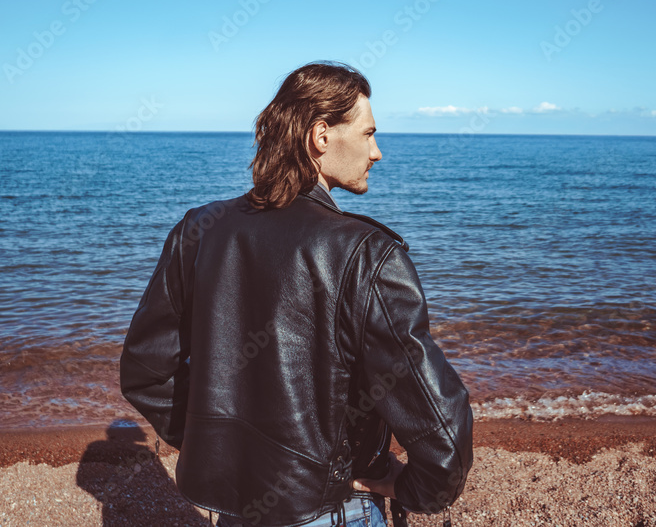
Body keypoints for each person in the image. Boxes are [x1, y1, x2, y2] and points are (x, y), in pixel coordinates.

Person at [120, 61, 473, 527]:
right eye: (368, 134)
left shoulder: (200, 230)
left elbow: (146, 370)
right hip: (331, 509)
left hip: (237, 511)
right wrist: (413, 488)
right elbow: (444, 433)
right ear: (321, 135)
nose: (377, 152)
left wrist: (221, 450)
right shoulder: (367, 253)